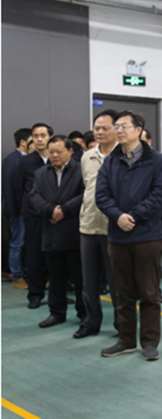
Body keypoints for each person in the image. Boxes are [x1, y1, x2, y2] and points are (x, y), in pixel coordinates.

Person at [96, 110, 162, 361]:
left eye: (124, 126)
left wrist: (133, 216)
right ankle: (125, 340)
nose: (119, 130)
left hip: (146, 236)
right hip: (118, 237)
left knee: (149, 293)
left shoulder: (156, 160)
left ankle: (150, 342)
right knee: (122, 293)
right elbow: (101, 195)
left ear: (138, 130)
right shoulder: (111, 161)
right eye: (116, 126)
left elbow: (159, 195)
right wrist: (118, 216)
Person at [29, 135, 86, 328]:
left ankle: (84, 313)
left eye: (58, 151)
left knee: (80, 278)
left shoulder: (81, 170)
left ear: (70, 151)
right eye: (51, 152)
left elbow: (86, 194)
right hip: (51, 230)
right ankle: (57, 312)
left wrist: (64, 210)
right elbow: (34, 196)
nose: (54, 155)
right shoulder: (41, 173)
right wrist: (50, 210)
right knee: (55, 277)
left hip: (75, 231)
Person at [76, 110, 120, 339]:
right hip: (89, 226)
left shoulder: (124, 156)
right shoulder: (87, 157)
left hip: (114, 228)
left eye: (105, 128)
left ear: (116, 129)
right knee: (89, 282)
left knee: (117, 282)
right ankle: (91, 322)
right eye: (97, 128)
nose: (99, 132)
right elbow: (87, 187)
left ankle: (122, 325)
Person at [14, 123, 53, 309]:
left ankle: (57, 294)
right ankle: (35, 295)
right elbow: (18, 188)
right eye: (35, 136)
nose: (39, 139)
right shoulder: (26, 162)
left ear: (50, 137)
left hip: (55, 216)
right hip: (34, 217)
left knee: (55, 257)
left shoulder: (57, 158)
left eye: (43, 135)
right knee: (34, 257)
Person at [2, 128, 32, 290]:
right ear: (23, 142)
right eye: (32, 139)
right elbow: (8, 188)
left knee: (27, 243)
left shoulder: (30, 159)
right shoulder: (11, 160)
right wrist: (13, 211)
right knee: (17, 243)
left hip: (29, 211)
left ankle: (25, 273)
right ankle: (17, 276)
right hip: (17, 211)